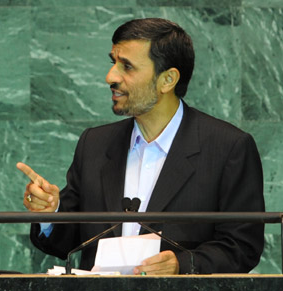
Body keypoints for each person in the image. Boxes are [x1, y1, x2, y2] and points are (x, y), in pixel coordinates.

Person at [17, 18, 265, 275]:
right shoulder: (95, 144)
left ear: (167, 80)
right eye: (113, 62)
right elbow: (69, 238)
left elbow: (242, 246)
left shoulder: (228, 148)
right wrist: (50, 212)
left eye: (127, 66)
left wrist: (181, 265)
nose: (110, 76)